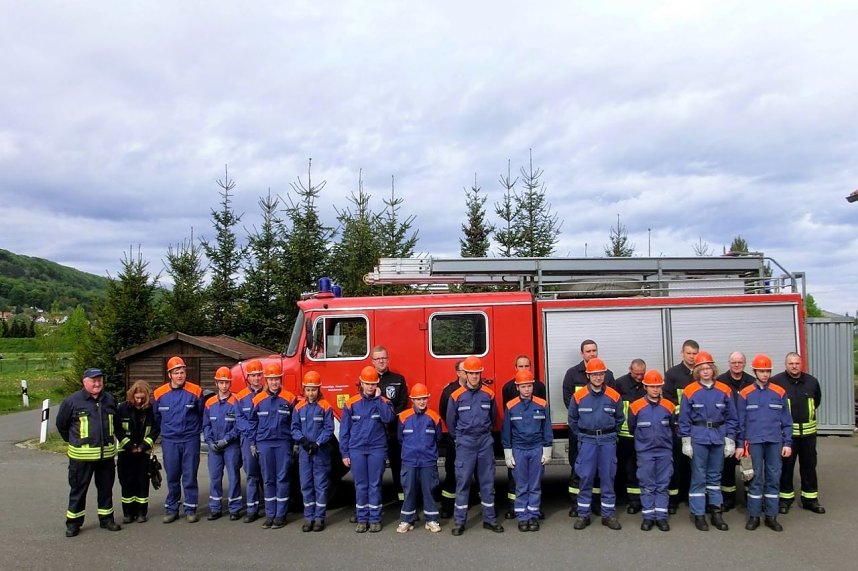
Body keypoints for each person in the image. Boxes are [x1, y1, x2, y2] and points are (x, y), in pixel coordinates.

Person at [56, 368, 121, 537]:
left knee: (106, 490)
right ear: (84, 382)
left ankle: (107, 519)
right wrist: (73, 441)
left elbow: (118, 424)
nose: (97, 383)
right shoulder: (72, 401)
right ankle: (73, 524)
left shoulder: (110, 400)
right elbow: (61, 425)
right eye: (93, 380)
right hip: (81, 458)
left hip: (105, 457)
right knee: (78, 491)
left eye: (100, 380)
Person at [678, 351, 738, 532]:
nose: (705, 371)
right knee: (698, 477)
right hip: (699, 437)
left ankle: (716, 512)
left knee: (715, 476)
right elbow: (684, 419)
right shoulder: (689, 390)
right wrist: (686, 441)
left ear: (713, 369)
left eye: (708, 368)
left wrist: (730, 439)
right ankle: (698, 514)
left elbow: (732, 417)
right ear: (696, 371)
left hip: (718, 437)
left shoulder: (725, 390)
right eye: (701, 368)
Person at [446, 355, 504, 535]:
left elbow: (493, 418)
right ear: (465, 374)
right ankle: (459, 522)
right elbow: (451, 421)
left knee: (487, 482)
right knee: (462, 482)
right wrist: (461, 439)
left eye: (477, 373)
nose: (474, 377)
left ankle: (490, 519)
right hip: (465, 442)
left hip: (484, 441)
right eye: (471, 373)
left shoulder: (489, 394)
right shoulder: (455, 396)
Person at [736, 354, 792, 532]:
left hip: (775, 441)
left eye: (767, 371)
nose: (765, 374)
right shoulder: (745, 393)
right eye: (761, 371)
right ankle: (754, 516)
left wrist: (787, 443)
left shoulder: (779, 392)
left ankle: (771, 516)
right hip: (753, 442)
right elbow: (740, 422)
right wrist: (740, 445)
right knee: (754, 478)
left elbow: (787, 420)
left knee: (773, 478)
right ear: (754, 371)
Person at [568, 357, 624, 531]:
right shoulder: (578, 396)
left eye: (601, 374)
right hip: (587, 441)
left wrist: (609, 434)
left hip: (607, 441)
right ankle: (583, 515)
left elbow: (619, 419)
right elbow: (573, 420)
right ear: (588, 376)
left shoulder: (614, 396)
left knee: (608, 478)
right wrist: (585, 436)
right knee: (585, 478)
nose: (598, 378)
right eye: (595, 374)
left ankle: (608, 515)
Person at [562, 340, 615, 517]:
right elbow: (569, 402)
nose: (591, 353)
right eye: (588, 351)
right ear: (582, 354)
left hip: (604, 437)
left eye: (594, 350)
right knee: (580, 471)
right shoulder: (571, 374)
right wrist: (583, 431)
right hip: (584, 435)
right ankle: (577, 506)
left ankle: (599, 506)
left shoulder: (609, 375)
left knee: (603, 474)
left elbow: (616, 408)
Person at [340, 366, 395, 533]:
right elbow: (344, 430)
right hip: (356, 449)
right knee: (361, 485)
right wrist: (344, 453)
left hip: (376, 449)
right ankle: (362, 518)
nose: (371, 387)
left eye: (374, 384)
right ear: (361, 383)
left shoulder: (384, 402)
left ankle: (375, 518)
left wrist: (379, 400)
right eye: (368, 384)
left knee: (375, 484)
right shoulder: (351, 404)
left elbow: (389, 418)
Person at [771, 352, 825, 515]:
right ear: (785, 364)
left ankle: (810, 499)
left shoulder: (811, 382)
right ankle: (785, 499)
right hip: (787, 436)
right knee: (786, 468)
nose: (794, 366)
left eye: (797, 363)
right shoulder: (777, 382)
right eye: (791, 363)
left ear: (801, 364)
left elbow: (817, 402)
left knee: (809, 467)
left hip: (808, 436)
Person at [153, 356, 204, 523]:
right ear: (170, 374)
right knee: (173, 476)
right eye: (176, 373)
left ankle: (191, 509)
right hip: (170, 440)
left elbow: (202, 414)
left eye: (182, 372)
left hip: (190, 439)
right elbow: (156, 417)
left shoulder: (196, 391)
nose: (180, 375)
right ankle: (172, 509)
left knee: (189, 476)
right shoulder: (159, 393)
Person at [501, 369, 552, 532]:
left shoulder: (542, 404)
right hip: (519, 449)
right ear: (517, 388)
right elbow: (506, 431)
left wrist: (547, 449)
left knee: (535, 485)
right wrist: (508, 453)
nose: (526, 389)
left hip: (536, 448)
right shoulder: (511, 406)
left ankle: (533, 516)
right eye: (523, 386)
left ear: (533, 386)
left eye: (529, 386)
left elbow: (547, 428)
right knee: (521, 485)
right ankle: (522, 517)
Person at [249, 362, 296, 529]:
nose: (274, 382)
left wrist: (294, 443)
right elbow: (252, 423)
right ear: (266, 380)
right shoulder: (257, 399)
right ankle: (270, 515)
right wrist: (253, 442)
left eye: (277, 379)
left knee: (282, 478)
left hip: (283, 443)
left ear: (280, 379)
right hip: (264, 443)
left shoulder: (290, 398)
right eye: (271, 379)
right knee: (268, 479)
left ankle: (281, 515)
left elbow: (294, 423)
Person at [628, 370, 674, 532]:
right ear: (645, 387)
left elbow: (673, 428)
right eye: (651, 386)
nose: (655, 389)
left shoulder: (669, 406)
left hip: (664, 451)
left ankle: (661, 517)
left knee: (662, 484)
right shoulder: (635, 407)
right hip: (645, 452)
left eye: (658, 386)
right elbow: (632, 428)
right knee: (647, 485)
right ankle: (648, 517)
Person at [396, 383, 443, 534]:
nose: (422, 402)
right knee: (409, 490)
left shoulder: (434, 418)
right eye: (418, 399)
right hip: (409, 460)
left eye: (424, 398)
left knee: (429, 490)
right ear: (412, 400)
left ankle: (431, 520)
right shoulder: (403, 417)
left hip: (428, 460)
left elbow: (438, 437)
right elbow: (400, 438)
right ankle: (406, 520)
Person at [291, 370, 334, 532]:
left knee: (321, 486)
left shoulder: (325, 407)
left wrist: (317, 443)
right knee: (306, 485)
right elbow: (294, 427)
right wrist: (302, 441)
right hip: (304, 452)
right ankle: (308, 517)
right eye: (308, 389)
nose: (311, 393)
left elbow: (329, 429)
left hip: (320, 452)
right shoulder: (299, 407)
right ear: (304, 389)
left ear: (319, 389)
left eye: (314, 389)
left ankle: (319, 518)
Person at [115, 380, 159, 524]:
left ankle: (141, 512)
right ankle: (128, 513)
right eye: (137, 397)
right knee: (127, 482)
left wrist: (143, 446)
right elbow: (118, 430)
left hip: (143, 452)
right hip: (126, 452)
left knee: (142, 482)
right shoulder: (122, 408)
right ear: (131, 395)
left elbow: (154, 430)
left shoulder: (150, 410)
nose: (139, 400)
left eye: (142, 398)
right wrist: (130, 446)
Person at [663, 339, 699, 513]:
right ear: (682, 353)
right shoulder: (672, 374)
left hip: (699, 428)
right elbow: (669, 400)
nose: (691, 357)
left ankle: (692, 496)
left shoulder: (702, 373)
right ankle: (673, 500)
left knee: (696, 464)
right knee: (676, 464)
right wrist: (685, 413)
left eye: (694, 353)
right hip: (678, 427)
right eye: (688, 353)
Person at [716, 352, 755, 511]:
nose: (737, 365)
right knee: (727, 465)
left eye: (740, 362)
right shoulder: (720, 382)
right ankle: (728, 498)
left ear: (744, 363)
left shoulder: (752, 382)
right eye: (734, 362)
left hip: (748, 429)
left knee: (749, 464)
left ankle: (749, 497)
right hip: (727, 429)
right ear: (729, 363)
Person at [203, 367, 242, 521]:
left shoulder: (236, 401)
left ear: (230, 383)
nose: (224, 386)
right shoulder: (209, 403)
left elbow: (239, 425)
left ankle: (235, 508)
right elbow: (205, 425)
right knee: (215, 477)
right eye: (221, 382)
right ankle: (215, 508)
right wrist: (209, 440)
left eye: (227, 382)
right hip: (214, 447)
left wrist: (227, 439)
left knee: (233, 476)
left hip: (231, 445)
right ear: (216, 383)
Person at [372, 346, 409, 503]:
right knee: (375, 470)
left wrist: (391, 418)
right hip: (375, 433)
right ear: (372, 361)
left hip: (394, 432)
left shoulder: (398, 379)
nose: (381, 360)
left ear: (388, 359)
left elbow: (402, 402)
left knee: (398, 467)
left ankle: (403, 502)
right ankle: (376, 503)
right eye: (377, 358)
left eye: (383, 357)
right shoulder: (368, 381)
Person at [615, 358, 647, 515]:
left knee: (643, 467)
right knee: (627, 468)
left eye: (642, 374)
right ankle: (630, 500)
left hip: (644, 435)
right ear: (630, 369)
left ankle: (641, 499)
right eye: (637, 374)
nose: (640, 377)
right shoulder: (619, 384)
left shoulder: (647, 384)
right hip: (625, 435)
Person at [235, 359, 265, 522]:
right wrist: (252, 432)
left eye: (259, 375)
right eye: (253, 376)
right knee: (252, 475)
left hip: (265, 440)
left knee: (267, 476)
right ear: (248, 377)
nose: (256, 378)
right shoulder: (240, 397)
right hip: (248, 440)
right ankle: (252, 510)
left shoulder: (268, 394)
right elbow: (239, 419)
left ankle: (270, 509)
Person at [438, 360, 467, 518]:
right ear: (458, 373)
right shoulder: (449, 391)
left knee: (477, 472)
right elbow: (444, 413)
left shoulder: (479, 389)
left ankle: (480, 504)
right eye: (464, 370)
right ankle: (447, 506)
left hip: (473, 440)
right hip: (454, 438)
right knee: (452, 472)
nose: (467, 373)